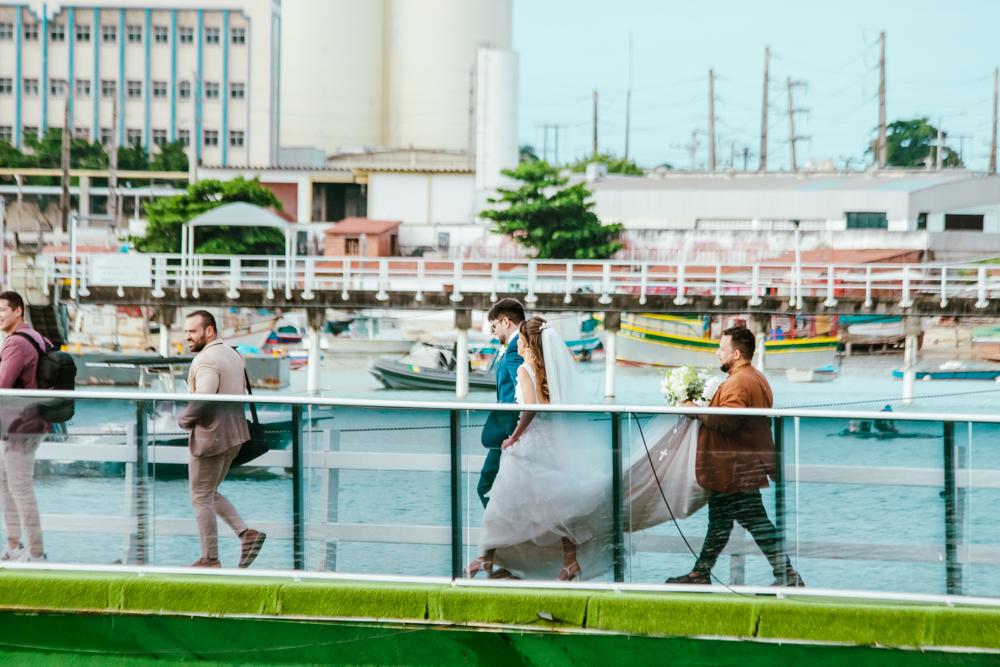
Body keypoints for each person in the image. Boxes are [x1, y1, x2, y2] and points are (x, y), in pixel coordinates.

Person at [466, 317, 612, 581]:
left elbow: (530, 408)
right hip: (550, 441)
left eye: (521, 339)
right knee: (555, 503)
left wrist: (514, 437)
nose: (518, 344)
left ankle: (485, 556)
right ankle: (570, 561)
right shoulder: (550, 370)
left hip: (529, 443)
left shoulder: (525, 369)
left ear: (527, 342)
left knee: (500, 501)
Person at [667, 326, 804, 587]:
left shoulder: (739, 381)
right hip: (739, 465)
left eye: (722, 349)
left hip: (736, 467)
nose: (718, 353)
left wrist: (694, 410)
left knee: (755, 521)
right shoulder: (756, 377)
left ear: (737, 354)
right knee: (720, 521)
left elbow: (727, 422)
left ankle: (787, 575)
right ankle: (701, 573)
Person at [177, 310, 266, 568]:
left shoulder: (206, 360)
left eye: (192, 331)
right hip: (235, 436)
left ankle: (210, 559)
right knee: (209, 492)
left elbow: (204, 397)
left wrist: (184, 420)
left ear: (209, 331)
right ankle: (246, 535)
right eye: (186, 331)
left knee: (200, 497)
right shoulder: (234, 354)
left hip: (211, 439)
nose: (187, 337)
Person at [0, 291, 51, 563]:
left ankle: (35, 553)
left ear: (18, 310)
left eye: (2, 310)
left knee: (19, 488)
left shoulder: (16, 343)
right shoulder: (38, 338)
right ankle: (14, 546)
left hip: (20, 426)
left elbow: (2, 384)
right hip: (30, 423)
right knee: (6, 482)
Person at [477, 298, 525, 508]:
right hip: (509, 430)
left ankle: (503, 529)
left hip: (509, 430)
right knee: (502, 488)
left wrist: (514, 434)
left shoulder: (515, 349)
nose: (494, 332)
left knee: (486, 486)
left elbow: (522, 390)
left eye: (494, 326)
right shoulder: (518, 345)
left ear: (505, 322)